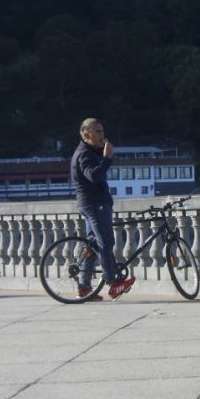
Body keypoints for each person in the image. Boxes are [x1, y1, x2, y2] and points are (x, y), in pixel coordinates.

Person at [70, 118, 135, 301]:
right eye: (97, 131)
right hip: (94, 204)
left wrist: (103, 155)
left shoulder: (90, 151)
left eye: (102, 131)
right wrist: (106, 158)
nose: (102, 135)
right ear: (86, 135)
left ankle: (84, 288)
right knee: (105, 242)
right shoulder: (84, 154)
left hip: (92, 202)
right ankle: (113, 284)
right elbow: (94, 176)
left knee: (91, 245)